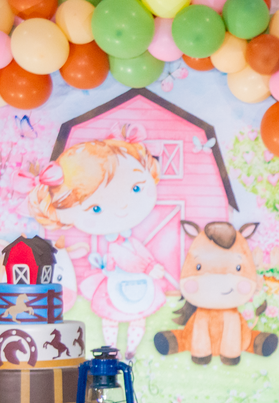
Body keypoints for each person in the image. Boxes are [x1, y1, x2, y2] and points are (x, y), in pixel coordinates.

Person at [28, 125, 172, 358]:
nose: (122, 207)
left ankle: (131, 349)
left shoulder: (129, 242)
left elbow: (138, 253)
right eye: (95, 208)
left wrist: (150, 266)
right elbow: (124, 256)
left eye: (136, 188)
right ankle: (111, 348)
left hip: (137, 281)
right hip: (116, 280)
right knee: (111, 315)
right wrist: (147, 267)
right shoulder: (116, 246)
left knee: (138, 315)